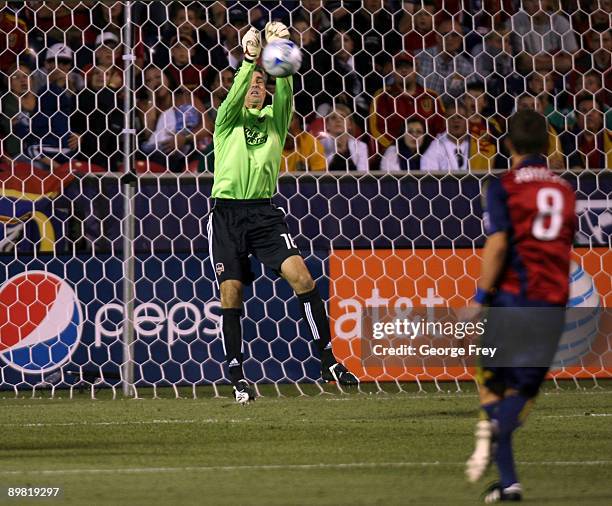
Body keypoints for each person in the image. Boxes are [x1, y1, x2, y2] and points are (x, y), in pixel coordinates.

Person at [208, 22, 358, 403]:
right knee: (231, 292)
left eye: (262, 83)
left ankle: (328, 360)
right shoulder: (227, 123)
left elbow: (286, 92)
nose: (257, 88)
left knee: (303, 278)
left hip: (263, 214)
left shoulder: (275, 120)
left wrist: (280, 48)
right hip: (226, 214)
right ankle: (238, 376)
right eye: (252, 84)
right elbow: (234, 94)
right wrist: (249, 61)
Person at [465, 109, 576, 502]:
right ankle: (508, 482)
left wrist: (480, 298)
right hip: (553, 304)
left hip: (511, 301)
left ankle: (494, 437)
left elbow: (498, 244)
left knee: (493, 387)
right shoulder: (564, 190)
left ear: (506, 143)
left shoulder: (503, 186)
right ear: (548, 145)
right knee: (522, 392)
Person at [369, 52, 444, 155]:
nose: (403, 70)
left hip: (429, 153)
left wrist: (430, 149)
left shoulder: (432, 96)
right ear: (393, 71)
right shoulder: (383, 96)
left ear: (416, 69)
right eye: (399, 67)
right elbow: (377, 129)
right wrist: (396, 148)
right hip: (395, 153)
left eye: (408, 67)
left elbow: (441, 128)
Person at [318, 105, 369, 172]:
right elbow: (321, 171)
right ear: (327, 125)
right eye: (333, 117)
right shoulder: (319, 145)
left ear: (350, 125)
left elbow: (363, 174)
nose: (338, 120)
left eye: (343, 117)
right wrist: (335, 149)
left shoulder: (360, 146)